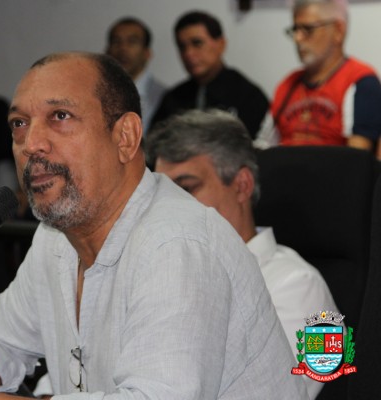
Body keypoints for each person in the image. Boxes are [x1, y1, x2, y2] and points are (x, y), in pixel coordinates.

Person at [0, 52, 307, 399]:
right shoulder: (56, 239)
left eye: (60, 116)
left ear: (125, 137)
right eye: (19, 123)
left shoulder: (176, 243)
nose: (31, 144)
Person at [146, 109, 338, 400]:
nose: (168, 208)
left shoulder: (299, 287)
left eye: (186, 189)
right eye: (162, 194)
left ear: (241, 185)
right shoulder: (159, 277)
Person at [255, 0, 381, 152]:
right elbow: (262, 149)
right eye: (295, 29)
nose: (298, 38)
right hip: (284, 166)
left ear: (338, 30)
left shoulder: (360, 81)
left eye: (308, 29)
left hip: (334, 167)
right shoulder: (287, 84)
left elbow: (358, 160)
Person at [150, 10, 269, 139]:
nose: (188, 53)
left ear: (221, 44)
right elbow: (154, 143)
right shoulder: (174, 98)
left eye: (197, 43)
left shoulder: (248, 96)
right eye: (182, 47)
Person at [105, 16, 166, 134]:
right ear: (107, 51)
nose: (123, 48)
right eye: (116, 41)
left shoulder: (164, 98)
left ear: (147, 53)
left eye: (132, 41)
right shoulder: (96, 94)